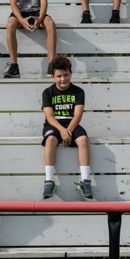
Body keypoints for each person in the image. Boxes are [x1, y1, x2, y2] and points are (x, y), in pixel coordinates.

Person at [40, 56, 93, 200]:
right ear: (52, 77)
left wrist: (68, 130)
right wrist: (62, 131)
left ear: (71, 74)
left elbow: (78, 115)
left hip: (72, 124)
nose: (63, 79)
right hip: (54, 125)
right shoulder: (47, 92)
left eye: (66, 75)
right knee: (50, 139)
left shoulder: (78, 91)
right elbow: (49, 116)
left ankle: (85, 181)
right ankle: (49, 181)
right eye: (59, 76)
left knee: (82, 139)